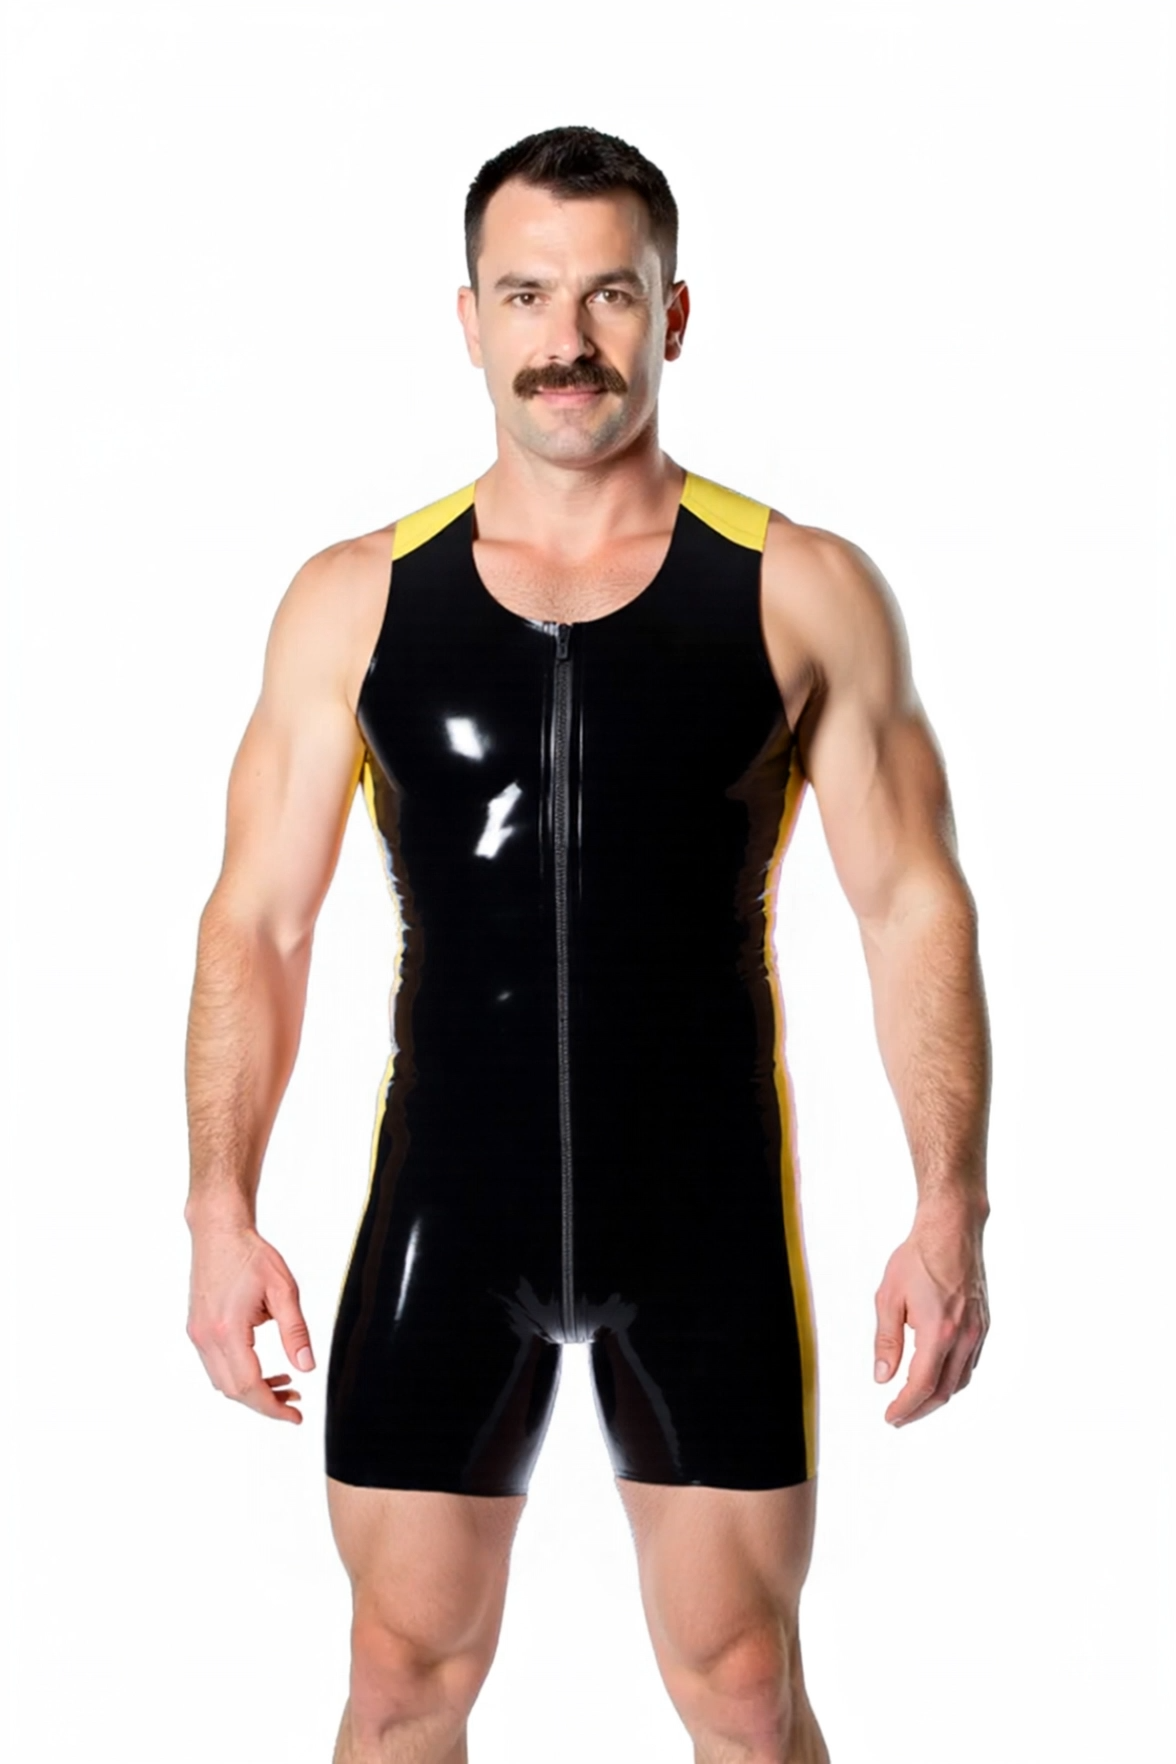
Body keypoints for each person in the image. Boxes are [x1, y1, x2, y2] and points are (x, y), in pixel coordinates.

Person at [184, 124, 991, 1764]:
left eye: (610, 294)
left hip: (700, 1214)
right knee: (399, 1682)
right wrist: (217, 1207)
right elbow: (258, 921)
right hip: (448, 1209)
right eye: (527, 295)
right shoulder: (355, 600)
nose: (568, 338)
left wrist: (950, 1199)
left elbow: (911, 900)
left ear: (672, 314)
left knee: (747, 1690)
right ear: (468, 319)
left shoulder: (799, 588)